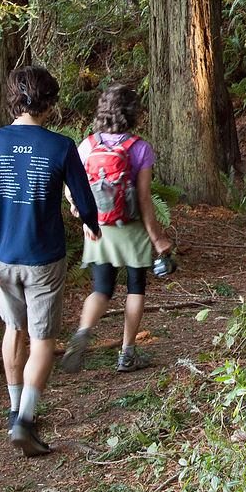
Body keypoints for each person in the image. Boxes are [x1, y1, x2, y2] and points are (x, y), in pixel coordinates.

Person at [0, 65, 98, 458]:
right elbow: (85, 204)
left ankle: (15, 410)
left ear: (13, 99)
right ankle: (27, 421)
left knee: (14, 330)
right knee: (43, 339)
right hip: (45, 260)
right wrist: (91, 226)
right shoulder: (61, 146)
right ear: (48, 102)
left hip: (2, 260)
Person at [59, 84, 173, 374]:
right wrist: (157, 238)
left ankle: (83, 332)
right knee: (136, 287)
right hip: (131, 227)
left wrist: (82, 215)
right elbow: (145, 199)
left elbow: (72, 189)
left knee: (101, 288)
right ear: (132, 112)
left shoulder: (87, 145)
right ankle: (127, 353)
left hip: (98, 228)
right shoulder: (139, 148)